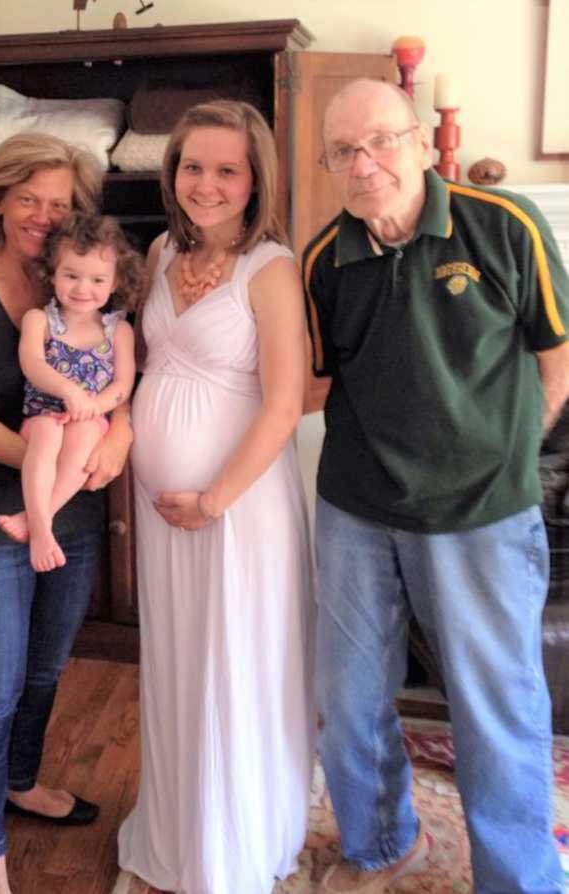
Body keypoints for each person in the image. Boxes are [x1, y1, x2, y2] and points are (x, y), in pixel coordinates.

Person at [303, 78, 569, 894]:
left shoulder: (506, 226)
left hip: (481, 515)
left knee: (496, 714)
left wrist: (509, 461)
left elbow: (556, 362)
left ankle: (519, 882)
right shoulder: (324, 259)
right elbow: (322, 385)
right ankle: (382, 844)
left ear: (420, 142)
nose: (365, 162)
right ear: (329, 164)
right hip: (356, 510)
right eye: (345, 149)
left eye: (381, 140)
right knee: (347, 704)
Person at [117, 100, 315, 893]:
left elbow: (283, 402)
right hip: (167, 515)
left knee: (236, 665)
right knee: (177, 666)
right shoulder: (162, 250)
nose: (207, 184)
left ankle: (232, 848)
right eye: (192, 166)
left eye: (227, 169)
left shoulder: (273, 268)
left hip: (237, 509)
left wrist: (213, 499)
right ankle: (176, 826)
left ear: (255, 177)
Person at [0, 133, 133, 894]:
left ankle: (19, 782)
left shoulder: (88, 294)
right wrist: (55, 473)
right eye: (28, 199)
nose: (44, 217)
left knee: (45, 671)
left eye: (60, 204)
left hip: (71, 520)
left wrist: (120, 433)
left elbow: (123, 386)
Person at [0, 211, 141, 571]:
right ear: (53, 273)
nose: (82, 289)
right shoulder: (40, 320)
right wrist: (67, 391)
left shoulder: (118, 331)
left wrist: (94, 405)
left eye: (96, 279)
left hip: (90, 419)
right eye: (71, 275)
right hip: (44, 413)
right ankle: (41, 527)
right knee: (46, 433)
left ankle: (35, 521)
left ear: (115, 282)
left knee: (86, 436)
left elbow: (123, 384)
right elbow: (33, 363)